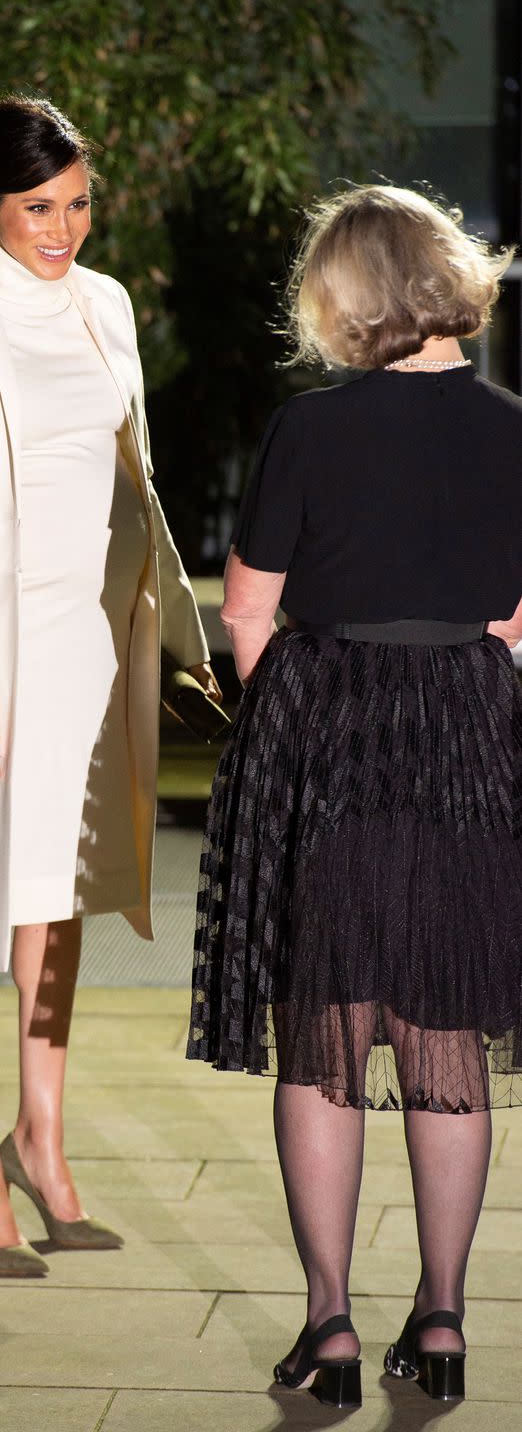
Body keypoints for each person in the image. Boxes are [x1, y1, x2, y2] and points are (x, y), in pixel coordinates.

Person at [188, 184, 522, 1408]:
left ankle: (326, 1326)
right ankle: (439, 1320)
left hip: (328, 731)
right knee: (443, 1035)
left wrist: (303, 709)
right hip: (464, 733)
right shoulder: (509, 426)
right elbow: (516, 616)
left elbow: (244, 607)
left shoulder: (310, 431)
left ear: (344, 300)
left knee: (326, 1035)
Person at [0, 96, 218, 1274]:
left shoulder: (108, 304)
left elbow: (129, 477)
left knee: (55, 896)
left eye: (77, 203)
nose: (62, 227)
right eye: (38, 208)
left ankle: (42, 1137)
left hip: (87, 649)